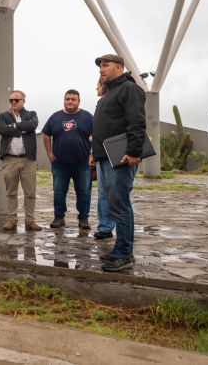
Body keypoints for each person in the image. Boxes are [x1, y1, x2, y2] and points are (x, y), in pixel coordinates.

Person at [92, 53, 146, 272]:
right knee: (113, 204)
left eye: (105, 66)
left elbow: (136, 122)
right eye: (100, 67)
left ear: (119, 68)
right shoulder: (109, 93)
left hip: (121, 155)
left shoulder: (129, 89)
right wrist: (95, 153)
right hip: (105, 156)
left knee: (120, 204)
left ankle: (124, 253)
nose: (101, 70)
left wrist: (133, 151)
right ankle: (120, 251)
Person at [41, 89, 93, 231]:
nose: (70, 101)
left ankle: (83, 218)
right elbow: (46, 134)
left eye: (73, 99)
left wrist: (93, 154)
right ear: (64, 100)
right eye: (67, 99)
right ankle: (59, 217)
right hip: (60, 163)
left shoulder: (88, 117)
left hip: (82, 162)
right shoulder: (55, 117)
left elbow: (97, 135)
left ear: (78, 101)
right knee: (58, 191)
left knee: (84, 192)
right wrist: (49, 154)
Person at [0, 90, 40, 231]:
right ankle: (11, 220)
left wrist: (14, 126)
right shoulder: (3, 116)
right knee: (11, 192)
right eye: (11, 100)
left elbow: (33, 125)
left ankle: (30, 220)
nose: (13, 103)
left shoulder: (31, 114)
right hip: (9, 160)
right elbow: (2, 130)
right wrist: (21, 129)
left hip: (28, 159)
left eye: (16, 100)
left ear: (23, 101)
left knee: (30, 192)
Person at [93, 82, 114, 239]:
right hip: (102, 154)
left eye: (98, 85)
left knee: (115, 194)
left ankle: (121, 230)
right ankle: (105, 227)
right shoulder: (101, 103)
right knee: (103, 193)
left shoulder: (114, 101)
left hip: (114, 153)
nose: (96, 88)